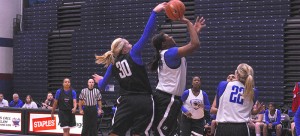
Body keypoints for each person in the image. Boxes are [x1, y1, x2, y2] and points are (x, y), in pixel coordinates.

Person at [92, 3, 167, 136]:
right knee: (138, 133)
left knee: (115, 132)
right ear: (124, 48)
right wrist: (154, 12)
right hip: (144, 100)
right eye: (128, 42)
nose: (130, 43)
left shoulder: (113, 64)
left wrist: (99, 80)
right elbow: (146, 34)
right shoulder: (134, 53)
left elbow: (102, 86)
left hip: (126, 101)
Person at [149, 14, 205, 135]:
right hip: (167, 98)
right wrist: (188, 23)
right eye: (168, 36)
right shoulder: (170, 53)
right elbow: (194, 45)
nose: (171, 36)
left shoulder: (169, 54)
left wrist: (194, 31)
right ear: (164, 44)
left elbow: (191, 45)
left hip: (170, 99)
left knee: (169, 132)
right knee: (161, 132)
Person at [215, 63, 264, 136]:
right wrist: (256, 111)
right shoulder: (253, 92)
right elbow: (247, 110)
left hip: (223, 128)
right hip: (242, 128)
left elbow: (219, 106)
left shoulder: (223, 85)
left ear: (236, 74)